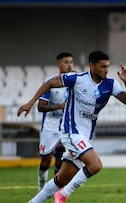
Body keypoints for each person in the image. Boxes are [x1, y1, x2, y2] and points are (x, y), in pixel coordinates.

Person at [17, 50, 126, 203]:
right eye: (102, 67)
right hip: (71, 132)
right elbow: (50, 83)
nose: (106, 70)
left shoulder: (110, 84)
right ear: (92, 66)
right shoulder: (77, 79)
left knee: (62, 179)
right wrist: (30, 103)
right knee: (95, 165)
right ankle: (63, 195)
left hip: (85, 135)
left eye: (107, 67)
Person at [36, 52, 73, 191]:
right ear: (58, 64)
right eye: (66, 62)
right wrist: (59, 106)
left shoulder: (76, 82)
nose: (69, 65)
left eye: (71, 62)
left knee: (61, 161)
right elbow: (40, 107)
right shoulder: (50, 83)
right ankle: (41, 186)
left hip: (66, 127)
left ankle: (57, 193)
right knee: (45, 162)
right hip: (50, 127)